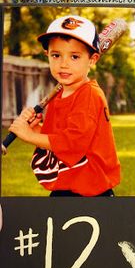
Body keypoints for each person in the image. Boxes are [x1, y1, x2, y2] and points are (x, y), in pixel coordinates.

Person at [9, 15, 121, 197]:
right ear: (47, 56)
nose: (64, 64)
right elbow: (56, 140)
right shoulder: (60, 95)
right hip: (68, 183)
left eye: (75, 56)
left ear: (92, 60)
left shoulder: (89, 95)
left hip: (91, 190)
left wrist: (29, 136)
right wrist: (36, 129)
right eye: (56, 55)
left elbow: (72, 144)